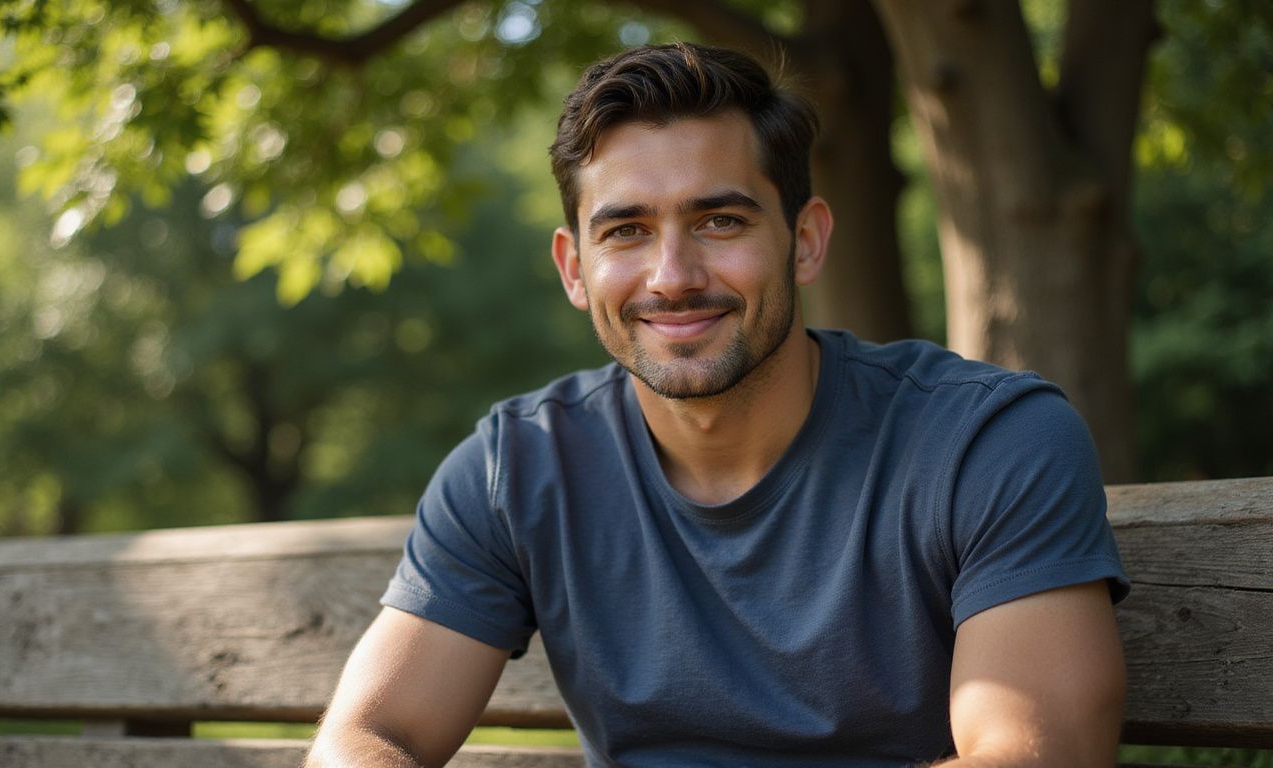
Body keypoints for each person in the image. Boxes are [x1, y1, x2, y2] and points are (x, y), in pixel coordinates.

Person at [305, 42, 1130, 767]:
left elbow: (1042, 753)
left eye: (721, 221)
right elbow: (369, 734)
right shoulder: (515, 469)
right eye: (626, 231)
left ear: (804, 240)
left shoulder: (986, 442)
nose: (673, 277)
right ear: (574, 268)